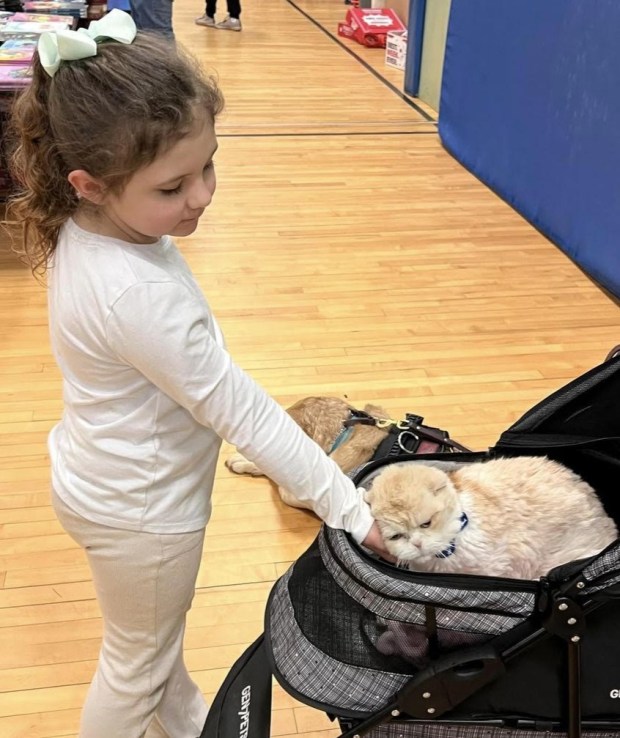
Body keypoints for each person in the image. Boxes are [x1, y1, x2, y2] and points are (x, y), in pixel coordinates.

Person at [8, 11, 389, 738]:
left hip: (101, 481)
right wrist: (348, 505)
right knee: (134, 668)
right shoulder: (137, 296)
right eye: (173, 186)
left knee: (150, 650)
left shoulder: (86, 226)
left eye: (208, 165)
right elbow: (242, 412)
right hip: (144, 515)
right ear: (87, 183)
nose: (203, 195)